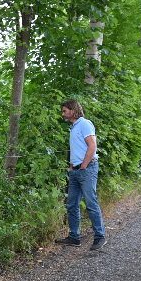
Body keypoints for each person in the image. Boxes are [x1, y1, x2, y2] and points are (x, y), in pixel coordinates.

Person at [55, 99, 107, 250]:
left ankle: (100, 236)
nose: (62, 114)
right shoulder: (73, 127)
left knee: (91, 203)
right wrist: (72, 166)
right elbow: (77, 149)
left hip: (87, 169)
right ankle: (74, 237)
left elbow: (92, 146)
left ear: (72, 110)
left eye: (64, 111)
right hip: (75, 171)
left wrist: (83, 165)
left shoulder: (84, 124)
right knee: (71, 204)